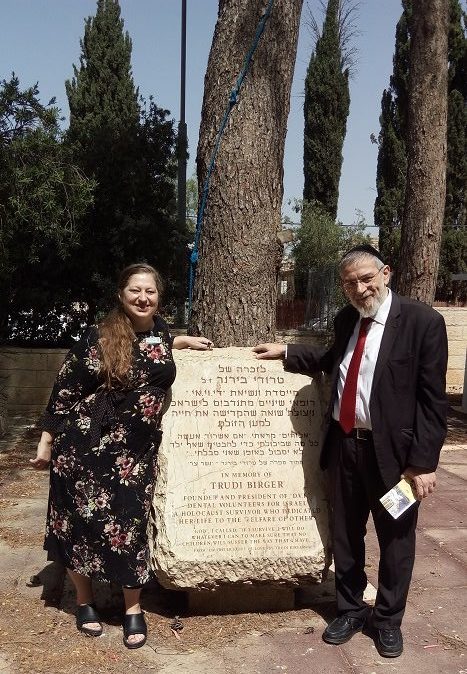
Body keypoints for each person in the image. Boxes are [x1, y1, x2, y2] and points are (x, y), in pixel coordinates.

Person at [253, 244, 448, 658]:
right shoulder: (348, 320)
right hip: (345, 448)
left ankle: (388, 619)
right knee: (345, 535)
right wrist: (287, 352)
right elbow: (330, 360)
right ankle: (350, 609)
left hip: (395, 461)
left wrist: (423, 464)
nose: (359, 289)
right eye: (349, 283)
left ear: (386, 274)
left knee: (396, 539)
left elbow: (433, 401)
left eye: (365, 278)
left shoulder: (422, 322)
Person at [31, 263, 213, 649]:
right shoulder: (98, 338)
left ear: (158, 297)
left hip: (135, 453)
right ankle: (85, 602)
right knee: (80, 523)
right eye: (135, 290)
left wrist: (182, 342)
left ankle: (133, 608)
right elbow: (65, 389)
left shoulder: (161, 332)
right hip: (86, 447)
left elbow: (153, 350)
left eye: (150, 291)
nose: (143, 297)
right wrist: (47, 440)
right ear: (121, 294)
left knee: (130, 527)